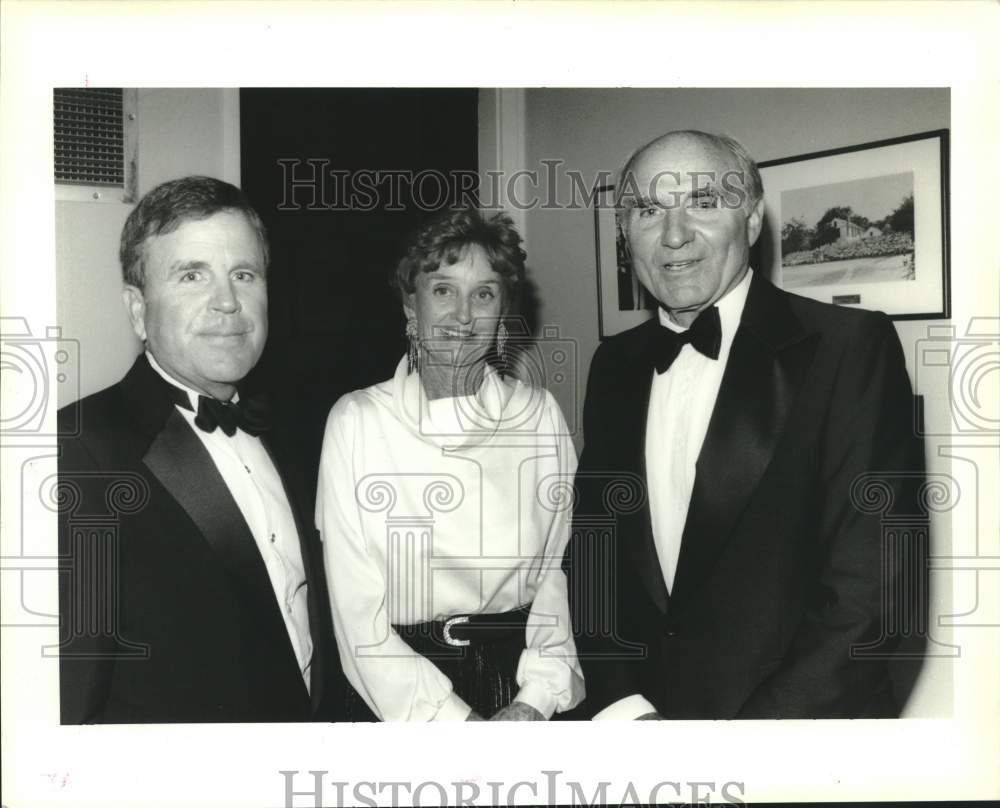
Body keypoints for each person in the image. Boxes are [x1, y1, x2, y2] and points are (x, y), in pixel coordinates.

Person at [565, 130, 926, 719]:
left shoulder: (850, 348)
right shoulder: (613, 364)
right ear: (624, 233)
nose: (674, 234)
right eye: (648, 210)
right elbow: (593, 554)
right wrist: (626, 708)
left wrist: (741, 751)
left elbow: (876, 593)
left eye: (703, 203)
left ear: (752, 221)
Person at [57, 176, 345, 723]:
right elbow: (74, 707)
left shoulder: (301, 434)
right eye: (192, 275)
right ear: (138, 309)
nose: (228, 303)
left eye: (244, 274)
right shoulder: (76, 451)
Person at [316, 207, 585, 721]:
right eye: (443, 290)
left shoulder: (539, 415)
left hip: (522, 685)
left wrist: (535, 700)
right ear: (411, 308)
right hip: (398, 700)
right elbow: (355, 616)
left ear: (503, 312)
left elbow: (559, 572)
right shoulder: (357, 422)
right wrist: (456, 726)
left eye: (483, 294)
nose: (463, 316)